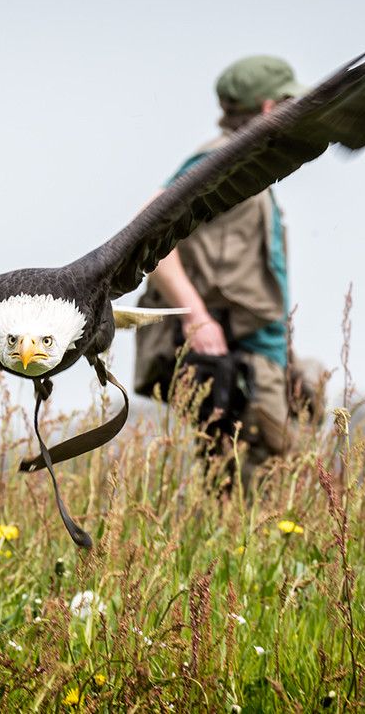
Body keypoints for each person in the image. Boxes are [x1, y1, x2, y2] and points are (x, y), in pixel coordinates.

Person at [134, 55, 313, 489]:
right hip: (238, 363)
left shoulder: (250, 168)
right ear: (270, 108)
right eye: (293, 103)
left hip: (264, 355)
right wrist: (196, 316)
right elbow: (145, 224)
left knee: (285, 477)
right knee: (259, 498)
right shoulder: (219, 162)